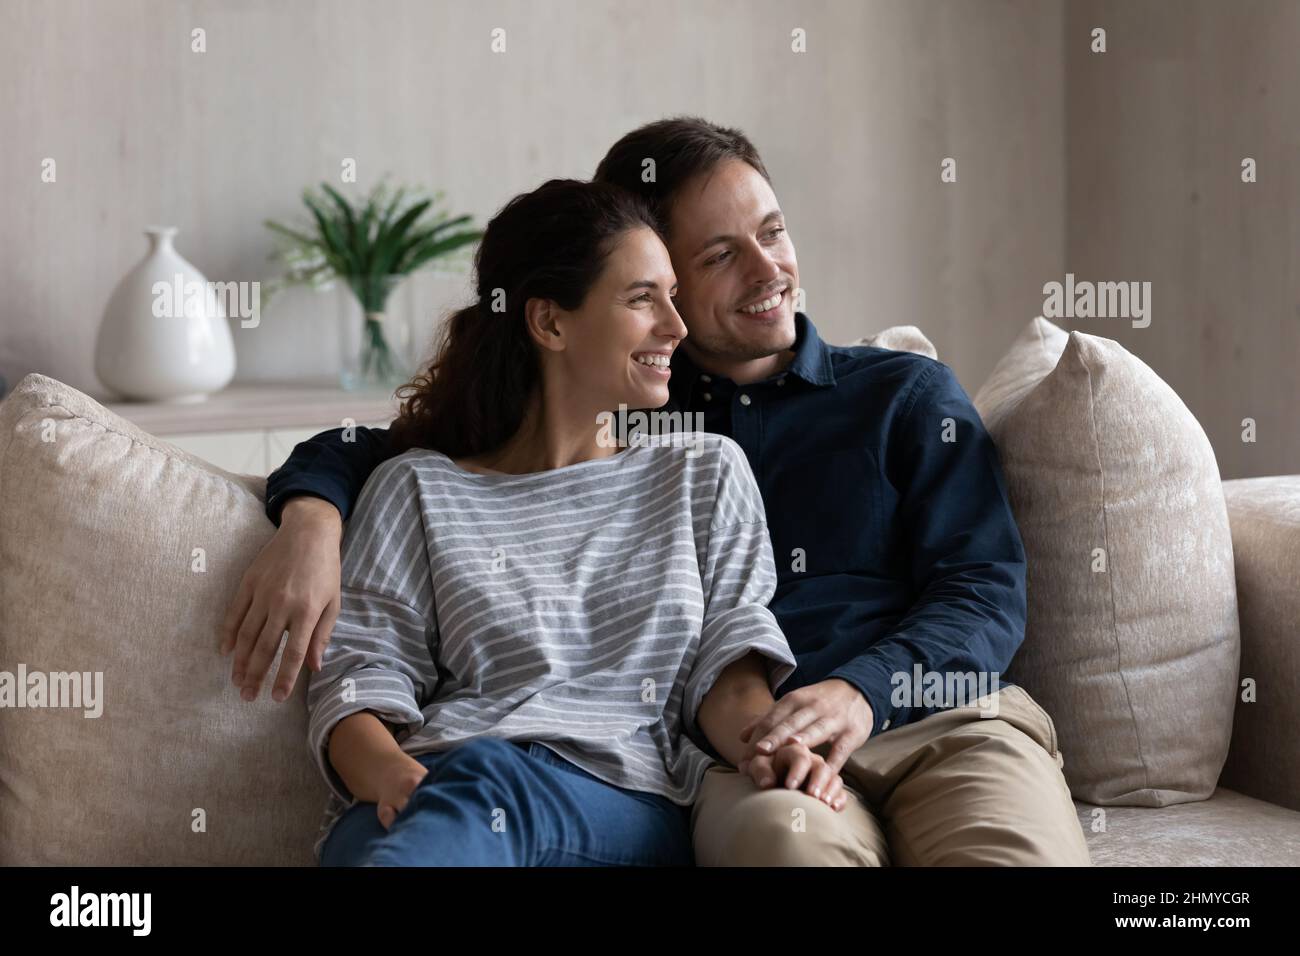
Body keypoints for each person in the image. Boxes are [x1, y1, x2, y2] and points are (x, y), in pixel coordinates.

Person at [224, 118, 1091, 866]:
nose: (768, 268)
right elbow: (396, 458)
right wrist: (310, 513)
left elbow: (984, 592)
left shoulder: (900, 396)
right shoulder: (632, 404)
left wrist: (862, 690)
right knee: (784, 843)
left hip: (940, 720)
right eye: (716, 257)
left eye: (774, 231)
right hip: (747, 754)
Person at [296, 178, 843, 866]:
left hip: (614, 800)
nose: (675, 326)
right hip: (418, 797)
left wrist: (778, 748)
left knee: (488, 784)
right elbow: (357, 679)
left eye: (673, 296)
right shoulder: (417, 488)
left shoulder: (702, 474)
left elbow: (728, 677)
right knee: (452, 802)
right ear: (550, 323)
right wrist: (401, 779)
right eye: (644, 298)